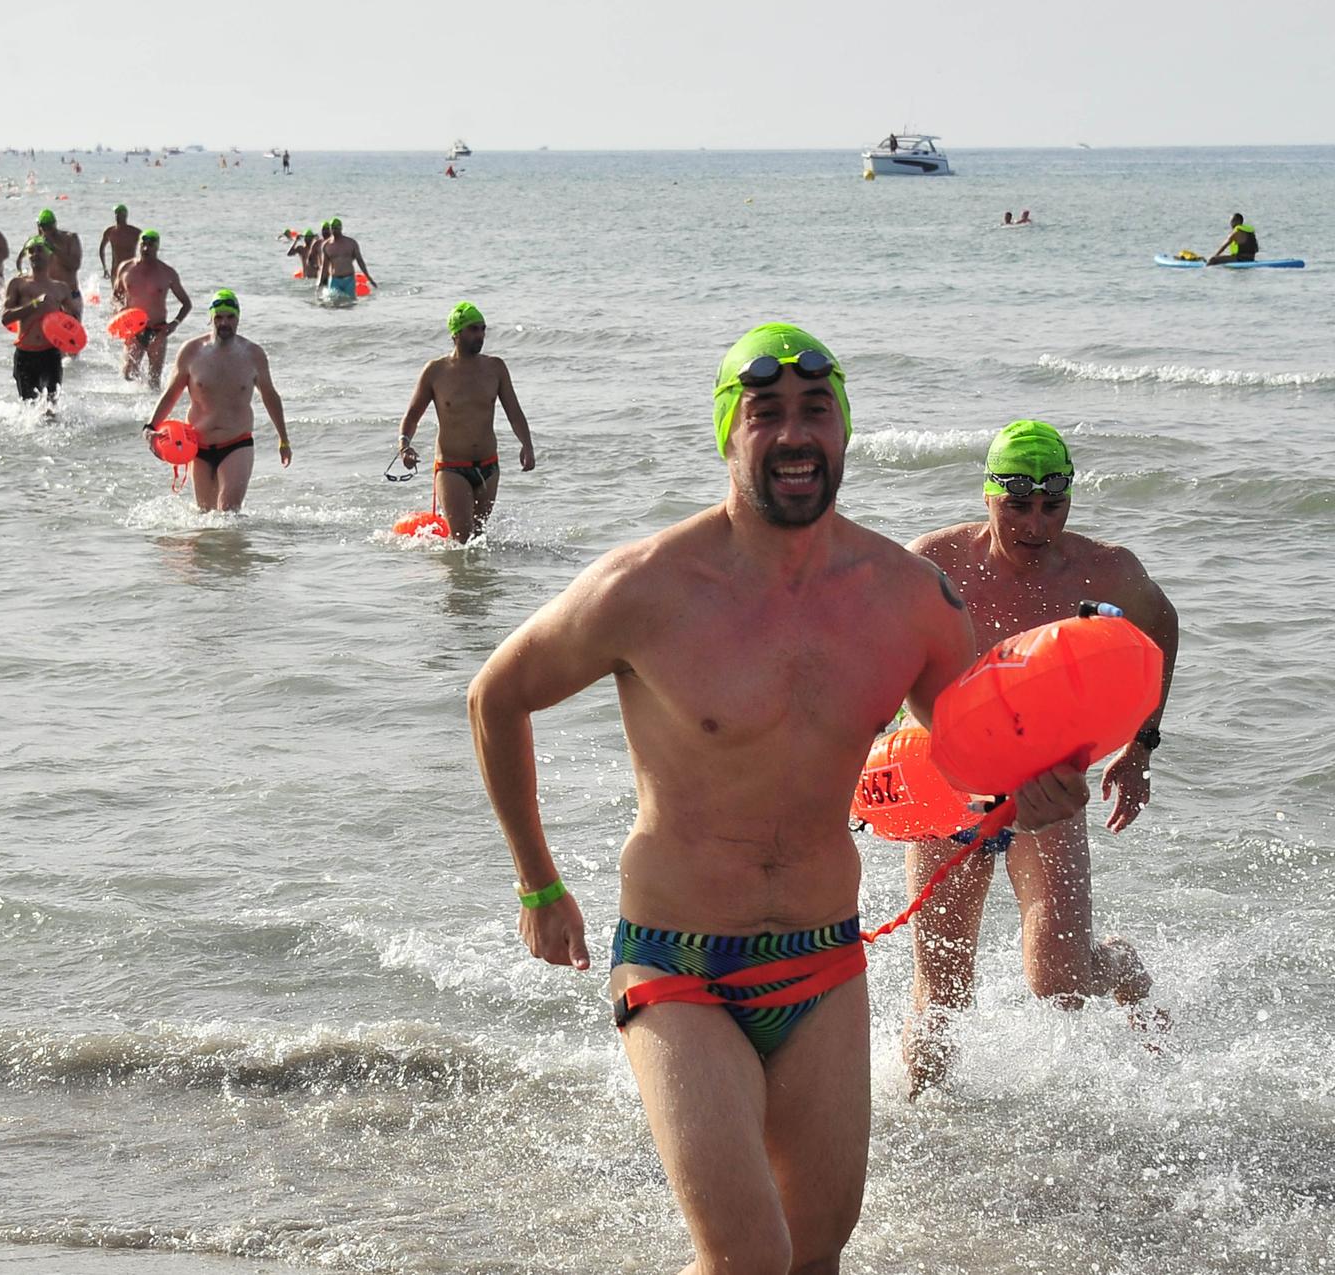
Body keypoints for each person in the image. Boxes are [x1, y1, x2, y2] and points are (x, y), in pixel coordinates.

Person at [466, 323, 1089, 1274]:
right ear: (729, 434)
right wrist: (538, 886)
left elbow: (976, 749)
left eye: (816, 411)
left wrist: (1042, 778)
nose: (795, 433)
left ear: (844, 432)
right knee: (748, 1254)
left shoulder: (910, 597)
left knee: (814, 1255)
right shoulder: (647, 586)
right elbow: (495, 696)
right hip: (678, 964)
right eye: (766, 414)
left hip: (823, 963)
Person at [901, 420, 1178, 1094]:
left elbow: (1161, 628)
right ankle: (921, 1135)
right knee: (942, 988)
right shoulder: (933, 567)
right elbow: (879, 660)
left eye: (1052, 505)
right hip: (950, 784)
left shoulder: (1106, 569)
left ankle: (1120, 965)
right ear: (988, 493)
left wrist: (1140, 745)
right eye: (1017, 504)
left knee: (1060, 983)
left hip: (1049, 786)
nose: (1035, 523)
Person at [395, 302, 535, 543]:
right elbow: (412, 415)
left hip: (489, 467)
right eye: (473, 329)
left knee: (478, 540)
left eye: (483, 329)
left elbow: (514, 412)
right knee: (462, 541)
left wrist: (527, 445)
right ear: (456, 333)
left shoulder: (496, 368)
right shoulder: (436, 371)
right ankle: (455, 580)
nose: (480, 335)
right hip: (451, 468)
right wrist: (404, 446)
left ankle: (481, 581)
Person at [144, 290, 292, 512]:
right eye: (219, 317)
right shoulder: (191, 351)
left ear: (238, 318)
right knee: (206, 517)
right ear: (211, 318)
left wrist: (284, 439)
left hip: (236, 442)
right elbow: (171, 394)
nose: (224, 323)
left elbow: (270, 396)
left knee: (228, 511)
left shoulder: (253, 355)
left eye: (230, 317)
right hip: (198, 445)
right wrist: (150, 427)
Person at [111, 230, 193, 389]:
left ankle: (152, 409)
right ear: (139, 245)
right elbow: (115, 296)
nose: (146, 249)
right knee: (127, 374)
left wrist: (174, 324)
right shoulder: (126, 268)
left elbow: (186, 303)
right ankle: (133, 407)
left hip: (158, 330)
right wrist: (120, 308)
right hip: (133, 330)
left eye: (151, 245)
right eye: (143, 244)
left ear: (157, 247)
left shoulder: (167, 273)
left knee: (154, 381)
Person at [1, 239, 72, 413]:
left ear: (50, 255)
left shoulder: (61, 289)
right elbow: (5, 318)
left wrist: (70, 344)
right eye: (31, 250)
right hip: (26, 356)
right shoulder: (18, 284)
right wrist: (34, 304)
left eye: (39, 250)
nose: (35, 254)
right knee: (30, 412)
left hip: (51, 354)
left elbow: (72, 322)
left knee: (52, 410)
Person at [19, 208, 83, 316]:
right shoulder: (36, 242)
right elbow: (19, 260)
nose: (44, 230)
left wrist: (53, 248)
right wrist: (23, 274)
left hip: (70, 296)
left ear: (54, 225)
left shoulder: (70, 239)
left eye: (47, 226)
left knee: (71, 330)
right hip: (48, 297)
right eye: (41, 226)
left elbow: (75, 265)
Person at [316, 217, 374, 302]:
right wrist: (320, 283)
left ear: (341, 228)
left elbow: (360, 261)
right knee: (332, 304)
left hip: (349, 279)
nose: (334, 230)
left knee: (351, 304)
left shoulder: (351, 243)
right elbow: (324, 266)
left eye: (336, 228)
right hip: (334, 280)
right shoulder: (326, 245)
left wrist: (369, 278)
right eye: (332, 228)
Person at [99, 204, 141, 298]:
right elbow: (102, 249)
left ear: (125, 215)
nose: (117, 216)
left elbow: (147, 246)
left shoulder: (135, 232)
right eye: (116, 214)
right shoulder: (110, 231)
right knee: (116, 297)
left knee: (131, 296)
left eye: (119, 214)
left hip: (131, 269)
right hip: (115, 270)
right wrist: (104, 268)